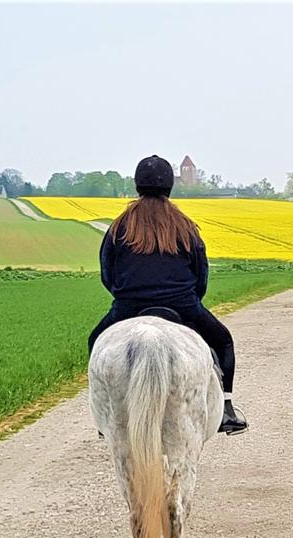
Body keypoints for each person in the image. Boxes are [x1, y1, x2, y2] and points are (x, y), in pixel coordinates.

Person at [88, 155, 248, 435]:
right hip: (182, 304)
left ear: (137, 185)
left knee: (95, 341)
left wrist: (124, 295)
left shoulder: (119, 226)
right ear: (170, 186)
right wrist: (190, 298)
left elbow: (107, 273)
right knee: (223, 342)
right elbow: (201, 275)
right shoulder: (184, 226)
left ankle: (106, 415)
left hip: (128, 305)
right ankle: (226, 410)